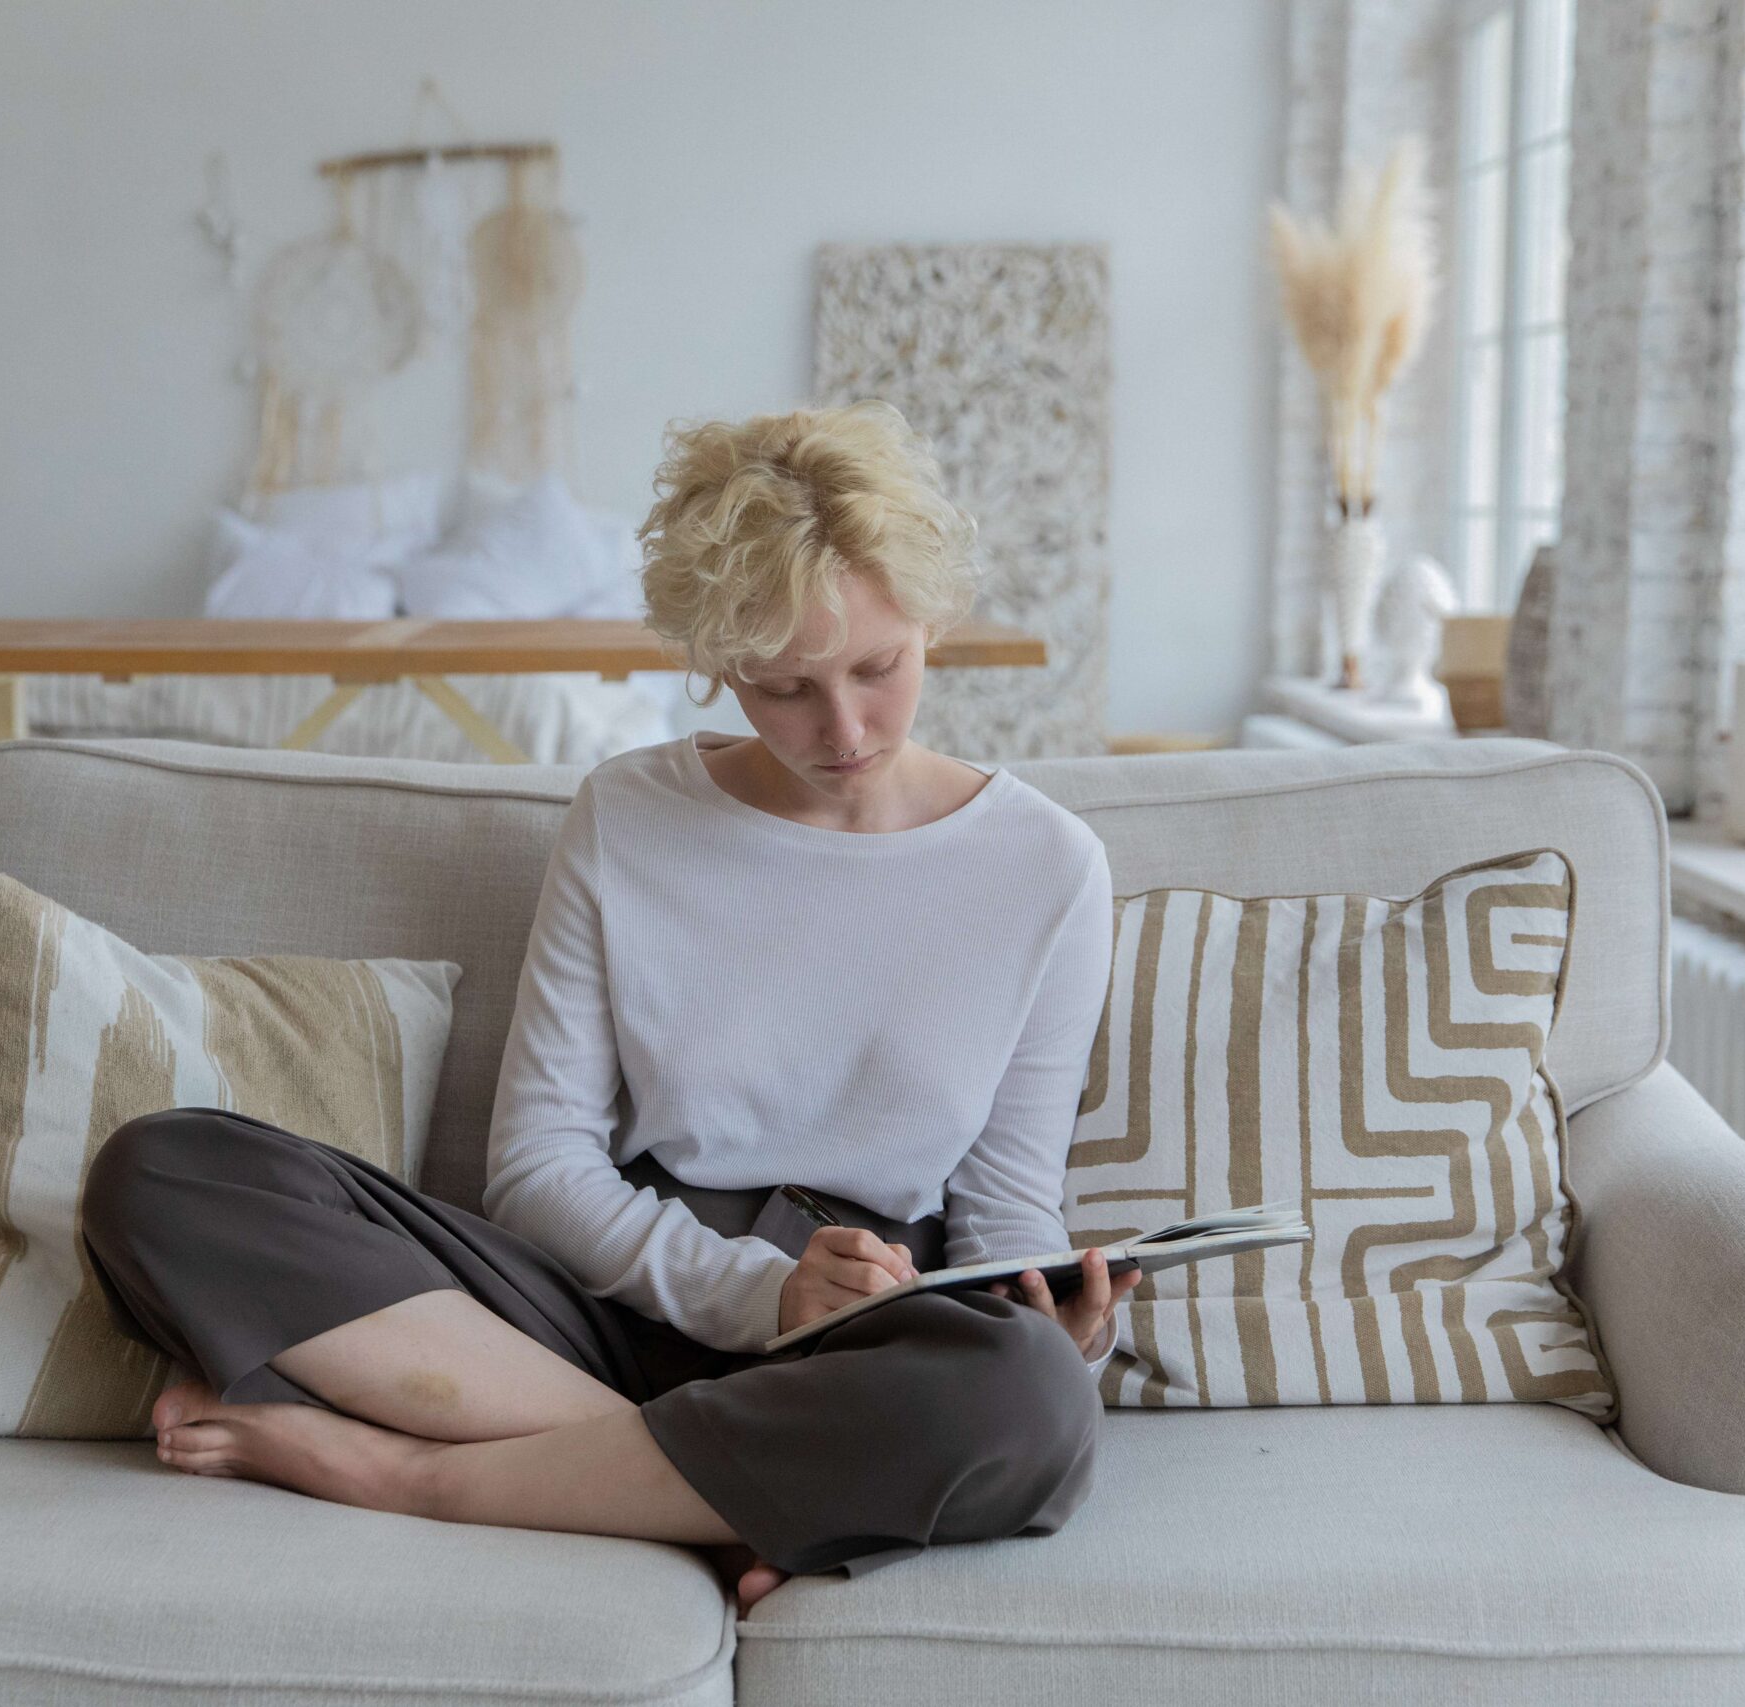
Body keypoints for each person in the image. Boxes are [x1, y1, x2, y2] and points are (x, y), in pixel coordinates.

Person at [79, 400, 1134, 1611]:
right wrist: (751, 1293)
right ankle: (698, 1492)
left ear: (928, 621)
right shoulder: (628, 816)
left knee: (1030, 1400)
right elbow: (535, 1167)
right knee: (163, 1172)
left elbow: (1003, 1210)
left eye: (875, 669)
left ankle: (411, 1474)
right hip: (603, 1307)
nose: (840, 729)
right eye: (781, 686)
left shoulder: (1048, 868)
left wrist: (1057, 1329)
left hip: (871, 1328)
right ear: (718, 656)